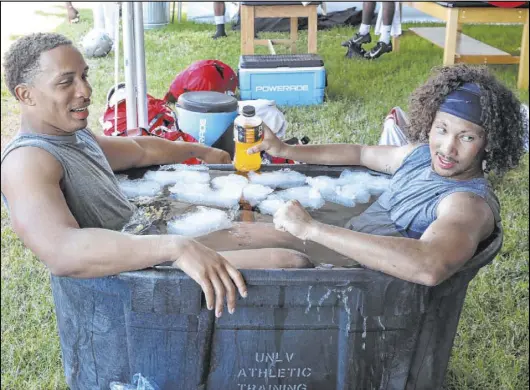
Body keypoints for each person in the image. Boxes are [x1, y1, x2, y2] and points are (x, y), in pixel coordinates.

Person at [0, 33, 308, 320]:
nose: (85, 91)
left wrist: (201, 151)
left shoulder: (74, 136)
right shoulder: (26, 162)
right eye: (66, 82)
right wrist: (175, 247)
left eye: (84, 75)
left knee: (285, 233)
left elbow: (139, 149)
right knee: (291, 262)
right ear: (26, 95)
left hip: (146, 242)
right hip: (129, 276)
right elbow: (61, 251)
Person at [197, 64, 527, 287]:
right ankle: (174, 256)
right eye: (441, 129)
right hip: (346, 246)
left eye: (466, 137)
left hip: (364, 285)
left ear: (489, 144)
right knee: (242, 232)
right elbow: (360, 153)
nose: (447, 147)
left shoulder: (467, 203)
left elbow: (430, 266)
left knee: (289, 258)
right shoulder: (418, 157)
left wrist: (313, 228)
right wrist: (286, 148)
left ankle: (184, 279)